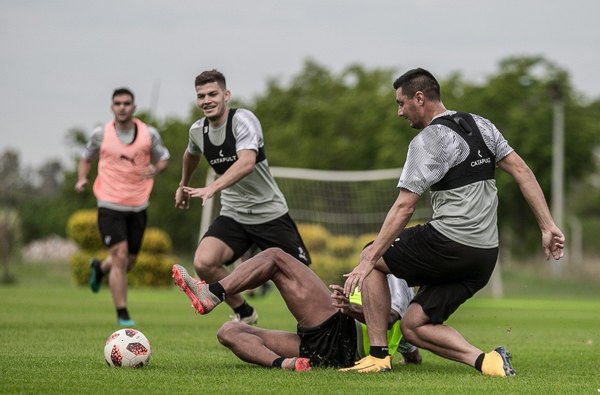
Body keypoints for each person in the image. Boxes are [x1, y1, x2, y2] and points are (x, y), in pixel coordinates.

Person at [340, 68, 565, 376]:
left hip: (450, 242)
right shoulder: (482, 125)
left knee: (371, 254)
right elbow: (523, 172)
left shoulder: (428, 140)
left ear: (419, 98)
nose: (399, 112)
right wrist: (547, 225)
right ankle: (488, 362)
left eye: (401, 103)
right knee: (414, 326)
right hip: (484, 256)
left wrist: (371, 258)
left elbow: (405, 205)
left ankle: (378, 356)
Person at [174, 69, 311, 325]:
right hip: (234, 214)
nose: (207, 100)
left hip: (269, 213)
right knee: (204, 262)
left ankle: (322, 324)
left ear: (226, 95)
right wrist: (183, 184)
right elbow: (190, 154)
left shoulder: (243, 120)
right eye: (201, 96)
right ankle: (244, 312)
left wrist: (213, 188)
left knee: (301, 279)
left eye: (213, 93)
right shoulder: (197, 131)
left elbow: (247, 162)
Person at [171, 248, 421, 371]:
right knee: (228, 331)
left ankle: (213, 293)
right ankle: (285, 364)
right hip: (325, 351)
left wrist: (351, 309)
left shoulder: (394, 274)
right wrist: (413, 357)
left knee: (275, 258)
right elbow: (406, 339)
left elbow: (388, 318)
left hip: (341, 331)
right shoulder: (389, 291)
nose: (366, 260)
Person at [75, 87, 170, 326]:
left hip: (138, 205)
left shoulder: (149, 133)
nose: (122, 107)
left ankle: (99, 267)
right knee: (119, 256)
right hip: (109, 202)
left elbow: (164, 158)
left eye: (127, 103)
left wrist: (155, 169)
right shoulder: (101, 134)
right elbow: (86, 157)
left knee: (128, 261)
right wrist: (82, 178)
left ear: (134, 107)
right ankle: (122, 313)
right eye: (118, 103)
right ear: (112, 107)